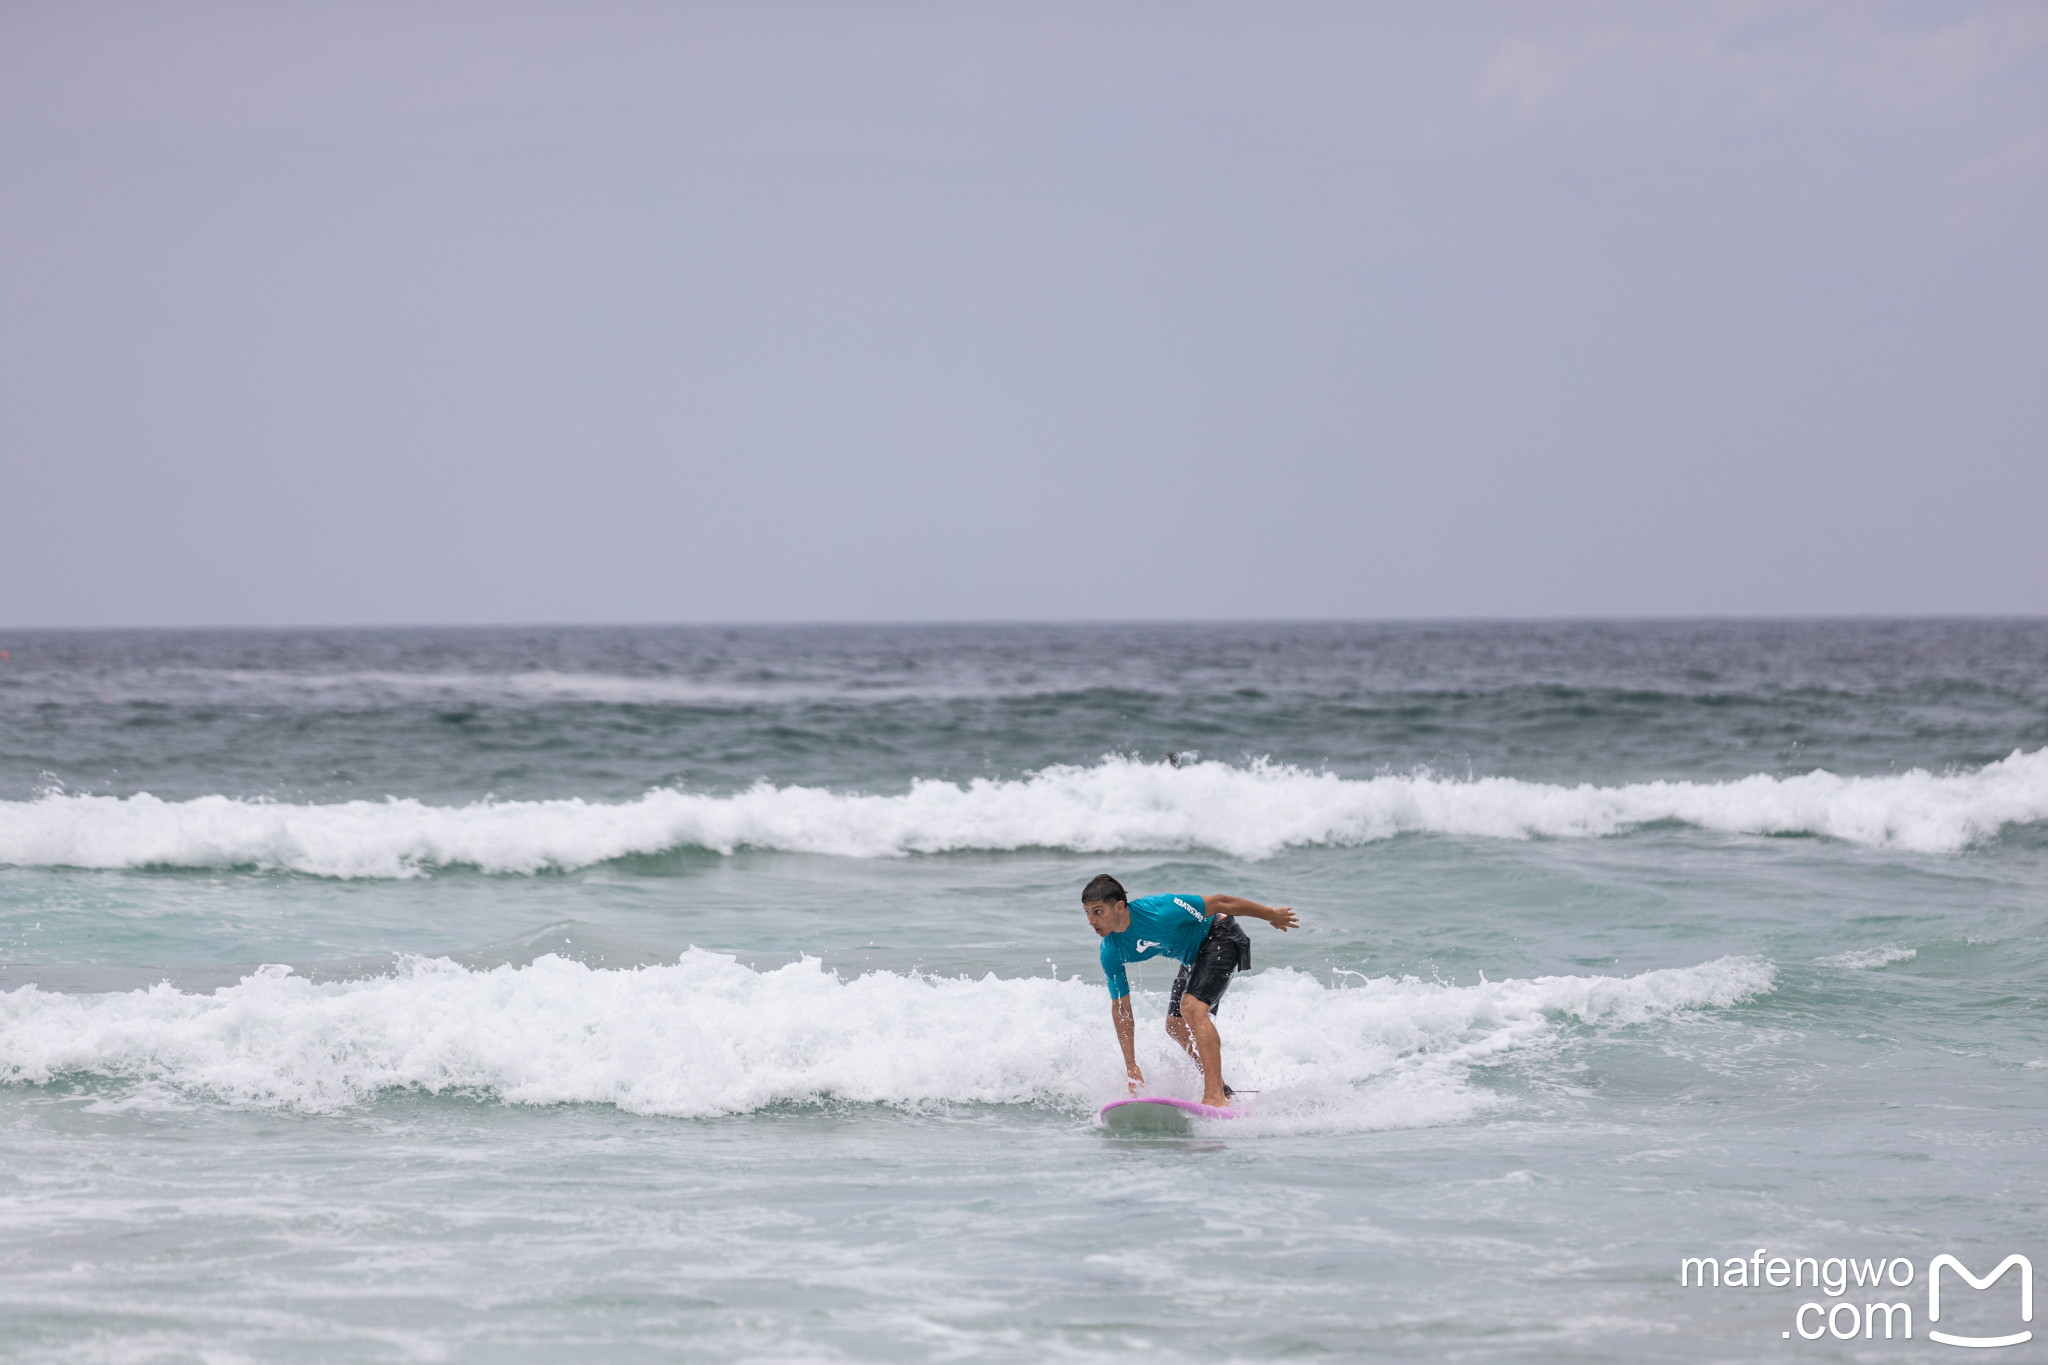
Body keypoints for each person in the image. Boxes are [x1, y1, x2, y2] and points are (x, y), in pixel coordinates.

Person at [1081, 873, 1298, 1108]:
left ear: (1120, 907)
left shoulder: (1160, 910)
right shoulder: (1110, 951)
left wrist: (1271, 915)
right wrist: (1131, 1064)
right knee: (1175, 1025)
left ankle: (1214, 1096)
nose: (1091, 921)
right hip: (1194, 957)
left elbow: (1220, 901)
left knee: (1192, 1009)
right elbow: (1121, 1009)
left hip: (1221, 933)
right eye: (1088, 913)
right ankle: (1220, 1087)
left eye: (1098, 911)